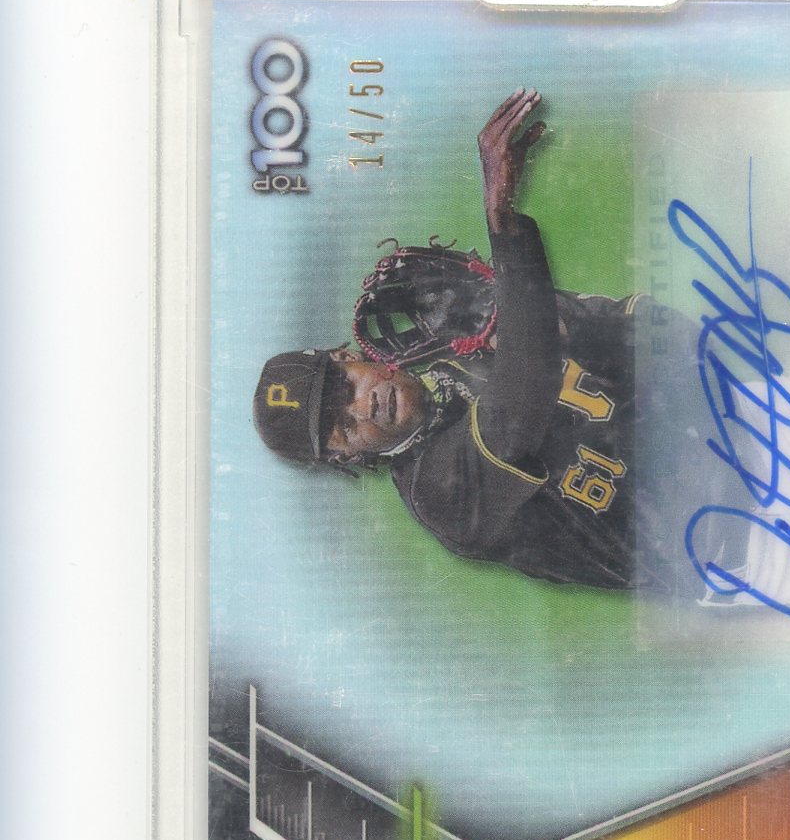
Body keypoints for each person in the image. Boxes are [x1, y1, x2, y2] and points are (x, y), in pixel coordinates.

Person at [254, 90, 655, 590]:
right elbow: (518, 405)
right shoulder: (436, 495)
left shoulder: (460, 349)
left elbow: (629, 329)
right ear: (347, 458)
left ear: (350, 356)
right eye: (344, 425)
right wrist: (503, 222)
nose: (363, 406)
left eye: (345, 386)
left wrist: (560, 319)